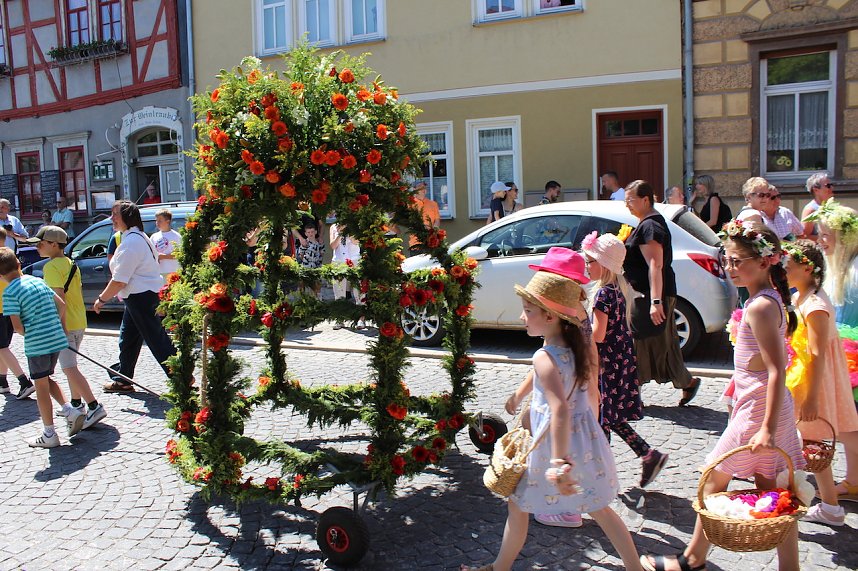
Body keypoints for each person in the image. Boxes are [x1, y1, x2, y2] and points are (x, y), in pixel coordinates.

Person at [462, 250, 643, 571]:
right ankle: (635, 568)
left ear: (550, 316)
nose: (522, 317)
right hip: (584, 442)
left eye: (527, 310)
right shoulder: (577, 348)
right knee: (601, 508)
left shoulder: (544, 356)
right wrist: (521, 395)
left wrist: (559, 461)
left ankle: (498, 568)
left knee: (517, 507)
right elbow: (589, 395)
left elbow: (558, 409)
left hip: (552, 449)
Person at [641, 220, 803, 571]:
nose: (730, 269)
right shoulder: (765, 299)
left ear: (764, 262)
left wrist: (767, 429)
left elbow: (776, 371)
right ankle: (789, 566)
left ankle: (693, 558)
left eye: (737, 262)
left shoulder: (761, 305)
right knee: (772, 486)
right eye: (727, 261)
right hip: (754, 400)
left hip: (760, 408)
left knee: (714, 477)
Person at [581, 230, 668, 488]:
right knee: (610, 416)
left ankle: (601, 476)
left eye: (589, 261)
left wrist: (578, 328)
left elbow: (597, 335)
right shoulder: (618, 290)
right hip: (620, 359)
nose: (586, 266)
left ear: (603, 264)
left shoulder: (602, 294)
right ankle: (648, 455)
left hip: (605, 363)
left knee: (602, 418)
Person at [783, 240, 858, 526]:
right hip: (805, 379)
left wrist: (812, 398)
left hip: (813, 383)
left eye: (788, 266)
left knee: (812, 443)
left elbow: (815, 353)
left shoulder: (814, 304)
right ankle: (830, 507)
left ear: (807, 268)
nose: (784, 270)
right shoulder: (802, 296)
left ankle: (825, 505)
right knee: (812, 445)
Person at [623, 180, 701, 406]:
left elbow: (655, 265)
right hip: (648, 293)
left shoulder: (651, 227)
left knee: (641, 340)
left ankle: (631, 392)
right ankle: (686, 382)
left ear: (646, 199)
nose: (627, 204)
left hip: (651, 294)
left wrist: (655, 302)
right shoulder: (646, 224)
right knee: (660, 343)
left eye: (631, 200)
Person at [0, 247, 86, 447]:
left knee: (40, 386)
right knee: (45, 379)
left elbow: (18, 327)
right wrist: (55, 325)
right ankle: (69, 409)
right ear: (19, 264)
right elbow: (61, 304)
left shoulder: (10, 292)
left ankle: (49, 433)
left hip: (37, 344)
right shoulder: (37, 280)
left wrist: (29, 331)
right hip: (56, 340)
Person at [29, 226, 106, 430]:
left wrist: (59, 327)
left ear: (54, 245)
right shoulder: (70, 263)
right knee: (71, 366)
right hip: (79, 320)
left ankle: (94, 406)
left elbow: (58, 299)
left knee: (68, 368)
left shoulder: (50, 267)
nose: (37, 247)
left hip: (66, 324)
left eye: (40, 244)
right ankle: (76, 404)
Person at [93, 201, 176, 393]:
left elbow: (120, 280)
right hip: (137, 296)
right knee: (128, 339)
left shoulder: (132, 242)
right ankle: (123, 378)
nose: (112, 218)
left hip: (141, 297)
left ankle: (182, 377)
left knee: (157, 340)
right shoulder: (136, 237)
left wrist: (102, 299)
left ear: (127, 217)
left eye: (115, 214)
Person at [0, 226, 33, 399]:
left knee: (2, 347)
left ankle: (24, 381)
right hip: (9, 307)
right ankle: (3, 381)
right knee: (2, 347)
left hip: (1, 308)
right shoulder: (9, 255)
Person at [330, 222, 365, 330]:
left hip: (354, 261)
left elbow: (357, 241)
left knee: (358, 290)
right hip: (338, 261)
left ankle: (361, 319)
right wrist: (340, 234)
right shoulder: (333, 227)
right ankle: (340, 318)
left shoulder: (356, 224)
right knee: (339, 291)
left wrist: (347, 230)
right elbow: (333, 245)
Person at [801, 172, 835, 240]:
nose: (832, 188)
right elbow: (805, 236)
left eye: (832, 185)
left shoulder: (832, 206)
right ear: (816, 190)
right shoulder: (811, 209)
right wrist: (829, 238)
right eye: (828, 186)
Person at [150, 209, 181, 280]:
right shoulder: (154, 237)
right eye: (156, 220)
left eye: (160, 221)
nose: (157, 223)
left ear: (168, 221)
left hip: (173, 271)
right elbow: (150, 253)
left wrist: (164, 256)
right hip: (158, 272)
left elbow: (180, 254)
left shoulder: (176, 236)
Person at [410, 181, 441, 252]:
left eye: (424, 187)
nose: (424, 190)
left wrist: (433, 231)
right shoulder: (410, 204)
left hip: (431, 242)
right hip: (416, 243)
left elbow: (437, 220)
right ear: (415, 190)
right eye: (421, 188)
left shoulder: (433, 204)